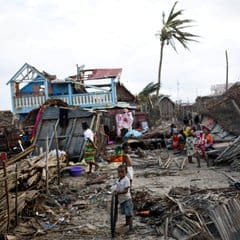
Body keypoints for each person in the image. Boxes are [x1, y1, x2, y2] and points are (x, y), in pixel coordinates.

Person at [115, 165, 133, 233]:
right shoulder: (118, 180)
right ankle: (127, 223)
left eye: (122, 172)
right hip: (122, 200)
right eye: (119, 172)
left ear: (126, 172)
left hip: (127, 199)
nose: (120, 173)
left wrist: (118, 192)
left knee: (129, 214)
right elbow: (117, 188)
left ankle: (130, 228)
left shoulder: (126, 180)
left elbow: (125, 191)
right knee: (126, 213)